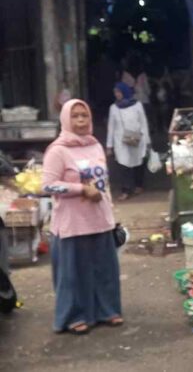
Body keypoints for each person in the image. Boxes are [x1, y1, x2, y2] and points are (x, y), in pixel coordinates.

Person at [42, 99, 122, 334]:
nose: (80, 121)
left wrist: (109, 209)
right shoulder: (58, 150)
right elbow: (47, 186)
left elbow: (103, 183)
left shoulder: (95, 145)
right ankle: (74, 316)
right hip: (72, 223)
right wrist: (80, 189)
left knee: (104, 269)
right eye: (75, 116)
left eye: (84, 116)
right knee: (73, 274)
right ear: (66, 119)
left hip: (99, 219)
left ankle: (107, 310)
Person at [107, 82, 150, 201]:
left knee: (138, 163)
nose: (117, 95)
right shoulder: (113, 108)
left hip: (137, 138)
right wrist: (109, 146)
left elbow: (143, 123)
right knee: (123, 165)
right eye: (115, 92)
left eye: (119, 92)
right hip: (120, 141)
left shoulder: (137, 105)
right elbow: (111, 127)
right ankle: (125, 190)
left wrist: (146, 140)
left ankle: (139, 185)